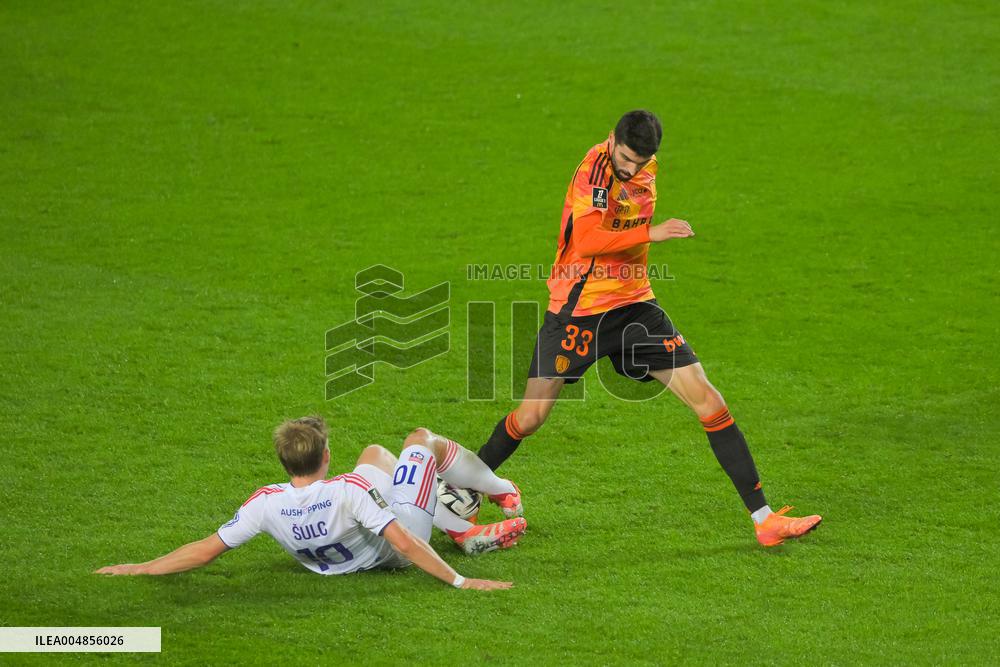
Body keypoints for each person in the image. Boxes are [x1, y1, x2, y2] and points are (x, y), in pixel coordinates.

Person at [476, 110, 821, 547]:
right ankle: (469, 479)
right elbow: (586, 241)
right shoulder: (594, 171)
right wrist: (650, 233)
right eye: (626, 158)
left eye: (641, 161)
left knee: (709, 400)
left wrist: (642, 233)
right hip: (578, 310)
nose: (632, 168)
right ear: (612, 140)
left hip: (635, 305)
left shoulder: (645, 165)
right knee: (531, 417)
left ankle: (764, 519)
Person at [96, 417, 526, 589]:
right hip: (398, 550)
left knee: (376, 454)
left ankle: (454, 518)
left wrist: (141, 567)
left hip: (338, 560)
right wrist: (462, 581)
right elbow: (407, 545)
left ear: (285, 462)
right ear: (325, 458)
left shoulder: (265, 503)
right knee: (420, 441)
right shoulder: (349, 490)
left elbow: (206, 550)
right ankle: (495, 490)